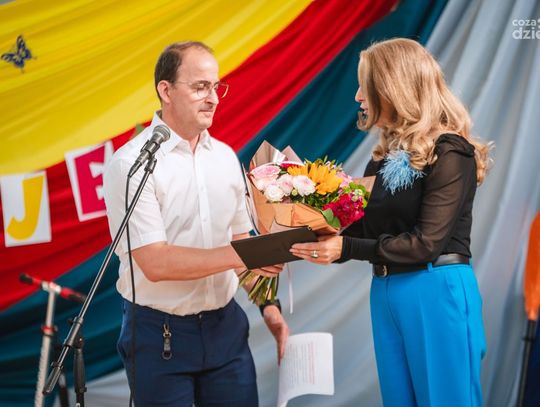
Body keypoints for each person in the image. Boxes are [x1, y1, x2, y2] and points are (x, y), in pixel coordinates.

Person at [290, 38, 491, 406]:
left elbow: (426, 243)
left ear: (392, 87)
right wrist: (301, 217)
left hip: (436, 288)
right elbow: (363, 231)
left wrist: (345, 247)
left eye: (364, 86)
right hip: (385, 291)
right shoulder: (382, 159)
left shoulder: (450, 151)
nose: (357, 97)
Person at [103, 41, 288, 407]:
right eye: (201, 87)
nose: (213, 98)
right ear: (166, 90)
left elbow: (241, 240)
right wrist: (244, 253)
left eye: (216, 87)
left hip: (226, 330)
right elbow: (156, 263)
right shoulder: (131, 164)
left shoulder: (224, 157)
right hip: (158, 335)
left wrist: (270, 308)